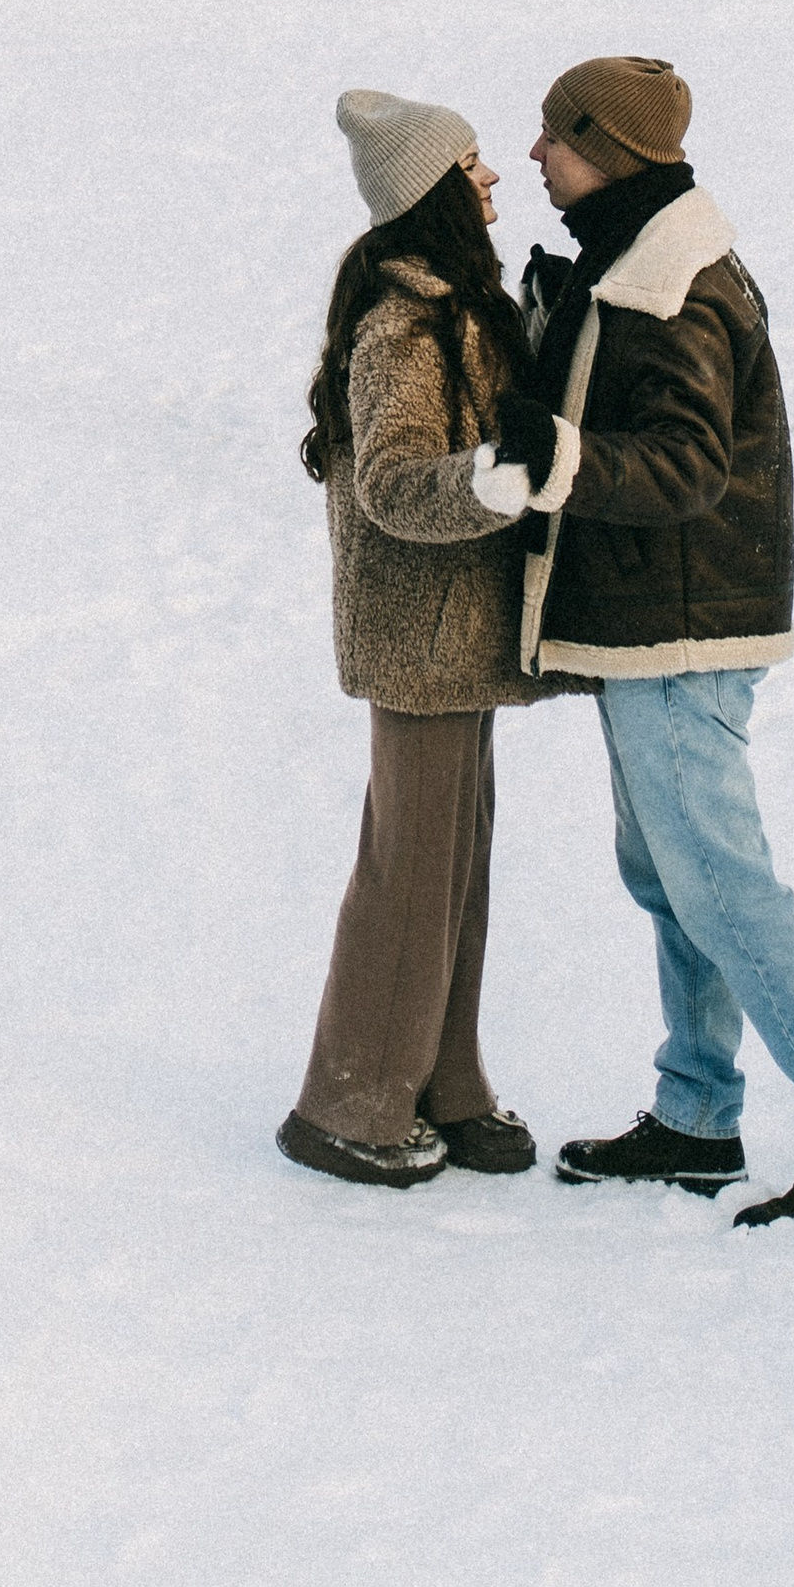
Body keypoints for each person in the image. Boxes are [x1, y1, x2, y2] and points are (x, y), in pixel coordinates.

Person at [473, 53, 794, 1226]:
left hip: (681, 631)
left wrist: (557, 456)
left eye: (554, 136)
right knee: (673, 883)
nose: (533, 155)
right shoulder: (628, 259)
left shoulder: (675, 285)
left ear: (606, 149)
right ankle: (696, 1117)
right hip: (653, 626)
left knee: (722, 889)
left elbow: (686, 463)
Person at [278, 87, 590, 1192]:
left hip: (454, 643)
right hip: (419, 641)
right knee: (410, 878)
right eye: (469, 166)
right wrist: (491, 481)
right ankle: (350, 1103)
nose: (492, 176)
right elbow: (393, 483)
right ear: (431, 193)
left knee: (453, 872)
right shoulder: (402, 325)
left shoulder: (455, 305)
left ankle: (443, 1082)